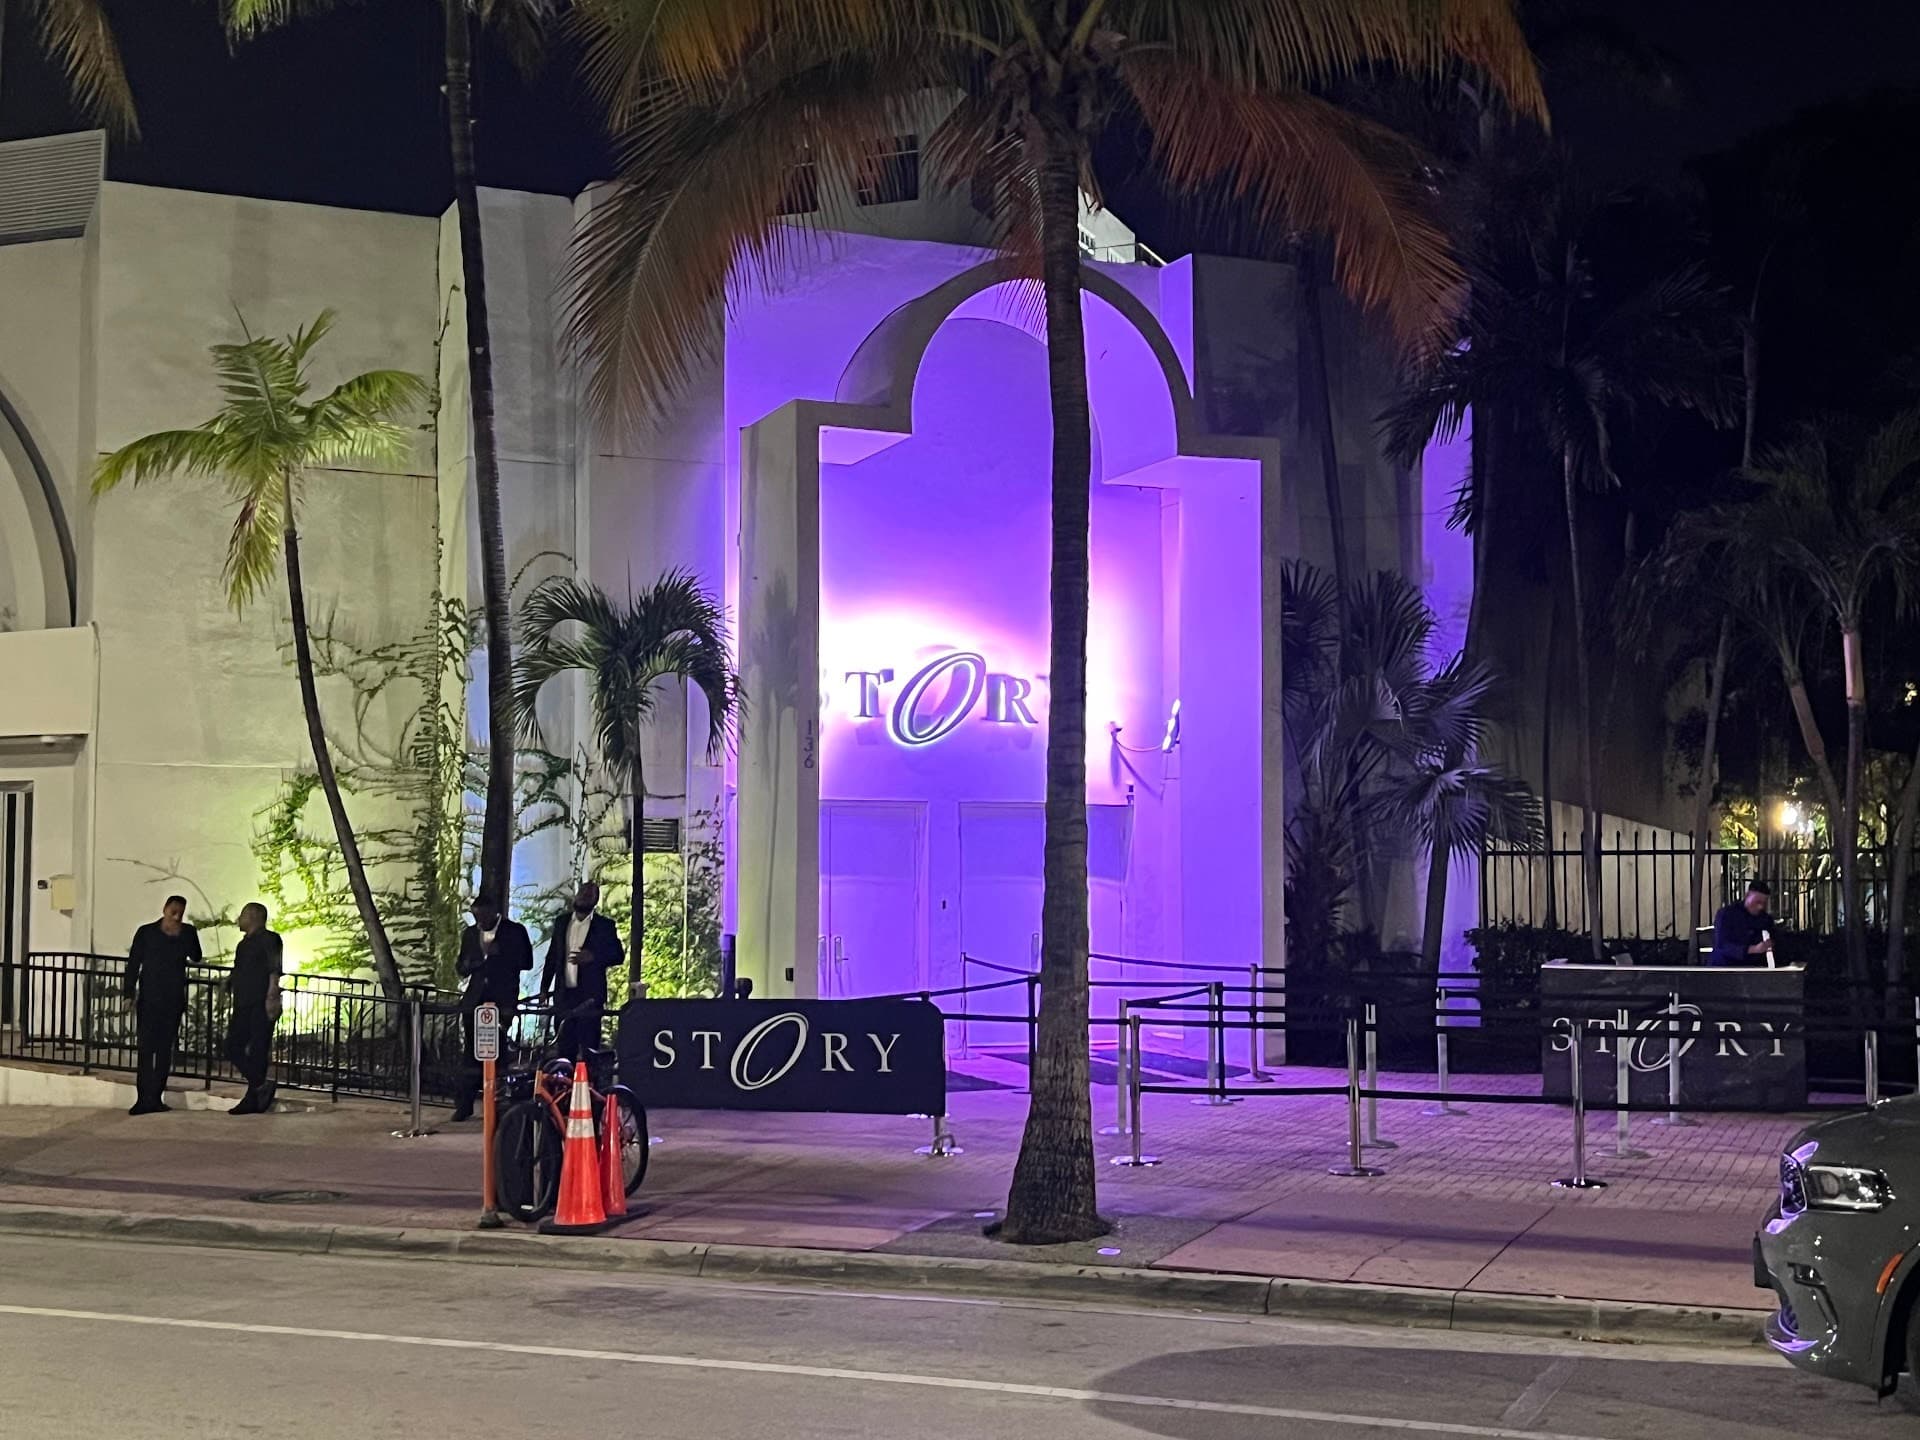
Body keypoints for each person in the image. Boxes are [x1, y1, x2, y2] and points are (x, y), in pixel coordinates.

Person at [451, 894, 533, 1123]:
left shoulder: (514, 931)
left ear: (494, 912)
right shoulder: (470, 934)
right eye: (476, 916)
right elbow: (461, 967)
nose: (480, 921)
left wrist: (502, 954)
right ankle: (465, 1104)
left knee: (496, 1050)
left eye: (484, 916)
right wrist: (473, 963)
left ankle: (499, 1103)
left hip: (502, 998)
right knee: (470, 1052)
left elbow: (527, 962)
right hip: (475, 998)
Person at [124, 895, 202, 1115]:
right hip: (149, 997)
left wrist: (184, 935)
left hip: (173, 998)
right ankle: (143, 1098)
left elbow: (196, 956)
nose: (176, 916)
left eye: (180, 913)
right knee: (146, 1049)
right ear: (165, 909)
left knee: (165, 1050)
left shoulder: (187, 933)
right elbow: (133, 963)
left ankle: (156, 1097)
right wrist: (128, 993)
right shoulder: (146, 932)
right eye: (173, 911)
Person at [539, 879, 625, 1061]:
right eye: (583, 892)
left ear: (595, 901)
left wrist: (594, 957)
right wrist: (544, 988)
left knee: (589, 1048)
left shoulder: (604, 926)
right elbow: (553, 955)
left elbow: (618, 955)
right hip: (564, 995)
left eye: (590, 895)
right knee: (564, 1047)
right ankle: (564, 1087)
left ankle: (589, 1086)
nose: (584, 897)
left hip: (590, 997)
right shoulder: (562, 922)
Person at [226, 902, 283, 1115]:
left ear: (253, 916)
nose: (239, 919)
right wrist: (230, 980)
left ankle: (253, 1097)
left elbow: (274, 969)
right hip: (243, 1002)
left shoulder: (269, 939)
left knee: (258, 1050)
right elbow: (241, 968)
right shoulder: (244, 944)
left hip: (260, 1002)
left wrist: (272, 996)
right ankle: (260, 1085)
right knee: (232, 1046)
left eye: (242, 915)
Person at [1710, 880, 1775, 967]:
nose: (1761, 907)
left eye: (1764, 903)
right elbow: (1723, 946)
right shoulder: (1727, 914)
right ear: (1747, 895)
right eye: (1757, 902)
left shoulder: (1765, 919)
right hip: (1725, 967)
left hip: (1753, 969)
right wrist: (1753, 949)